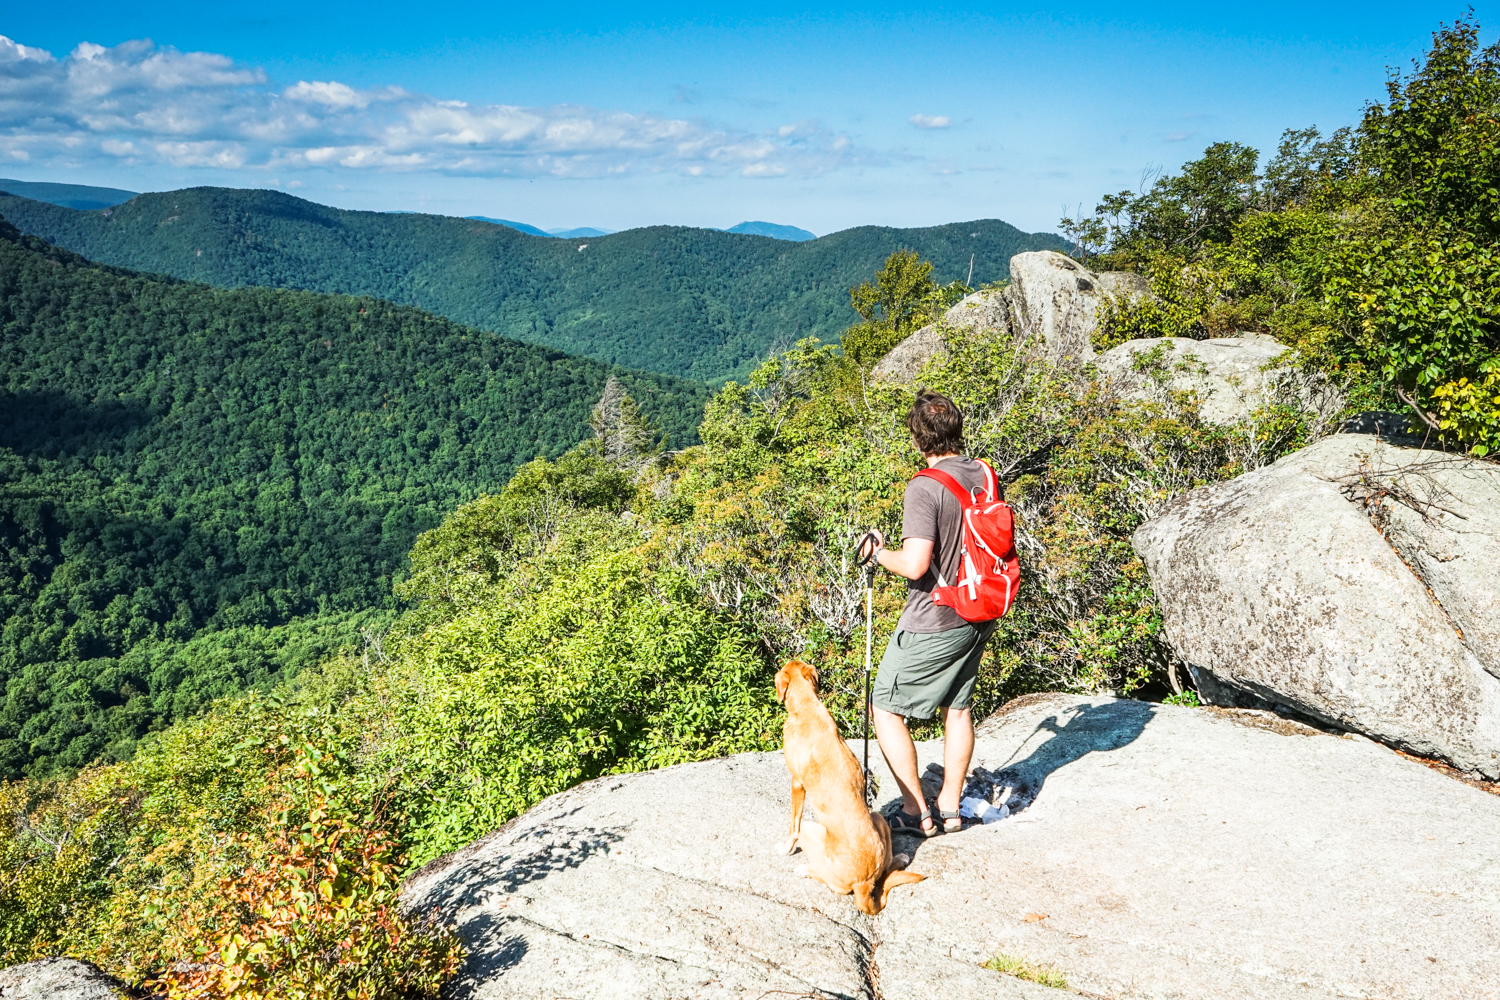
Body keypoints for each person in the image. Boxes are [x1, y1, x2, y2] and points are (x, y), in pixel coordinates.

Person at [858, 390, 998, 837]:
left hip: (935, 616)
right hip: (981, 608)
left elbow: (917, 564)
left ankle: (916, 812)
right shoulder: (983, 474)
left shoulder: (925, 486)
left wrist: (878, 554)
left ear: (919, 440)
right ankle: (951, 808)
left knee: (884, 705)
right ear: (957, 429)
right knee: (957, 708)